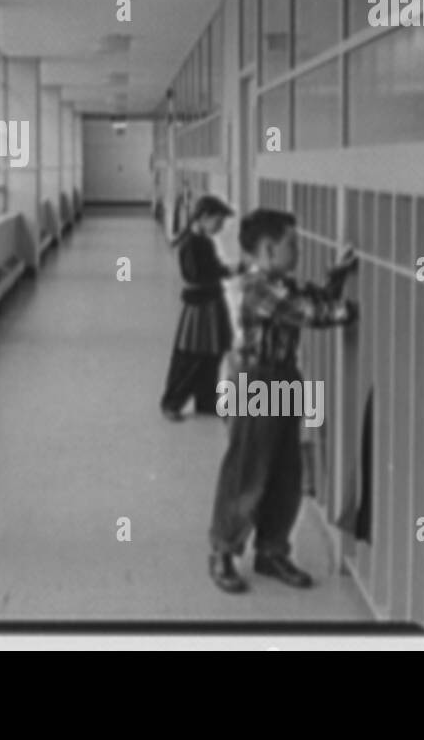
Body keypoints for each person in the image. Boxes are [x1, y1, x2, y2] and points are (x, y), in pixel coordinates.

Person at [207, 208, 358, 594]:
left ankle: (272, 551)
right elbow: (310, 313)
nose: (299, 249)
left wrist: (336, 278)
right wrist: (346, 311)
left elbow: (313, 298)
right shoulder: (258, 288)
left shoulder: (281, 283)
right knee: (248, 471)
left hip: (284, 376)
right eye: (292, 243)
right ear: (268, 248)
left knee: (286, 471)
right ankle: (223, 551)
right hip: (256, 379)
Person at [160, 194, 238, 420]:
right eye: (218, 221)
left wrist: (227, 270)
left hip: (210, 303)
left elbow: (210, 269)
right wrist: (226, 271)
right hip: (200, 307)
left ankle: (206, 401)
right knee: (191, 356)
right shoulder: (191, 243)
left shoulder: (203, 241)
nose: (221, 227)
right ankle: (172, 402)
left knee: (212, 355)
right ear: (204, 218)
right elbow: (196, 275)